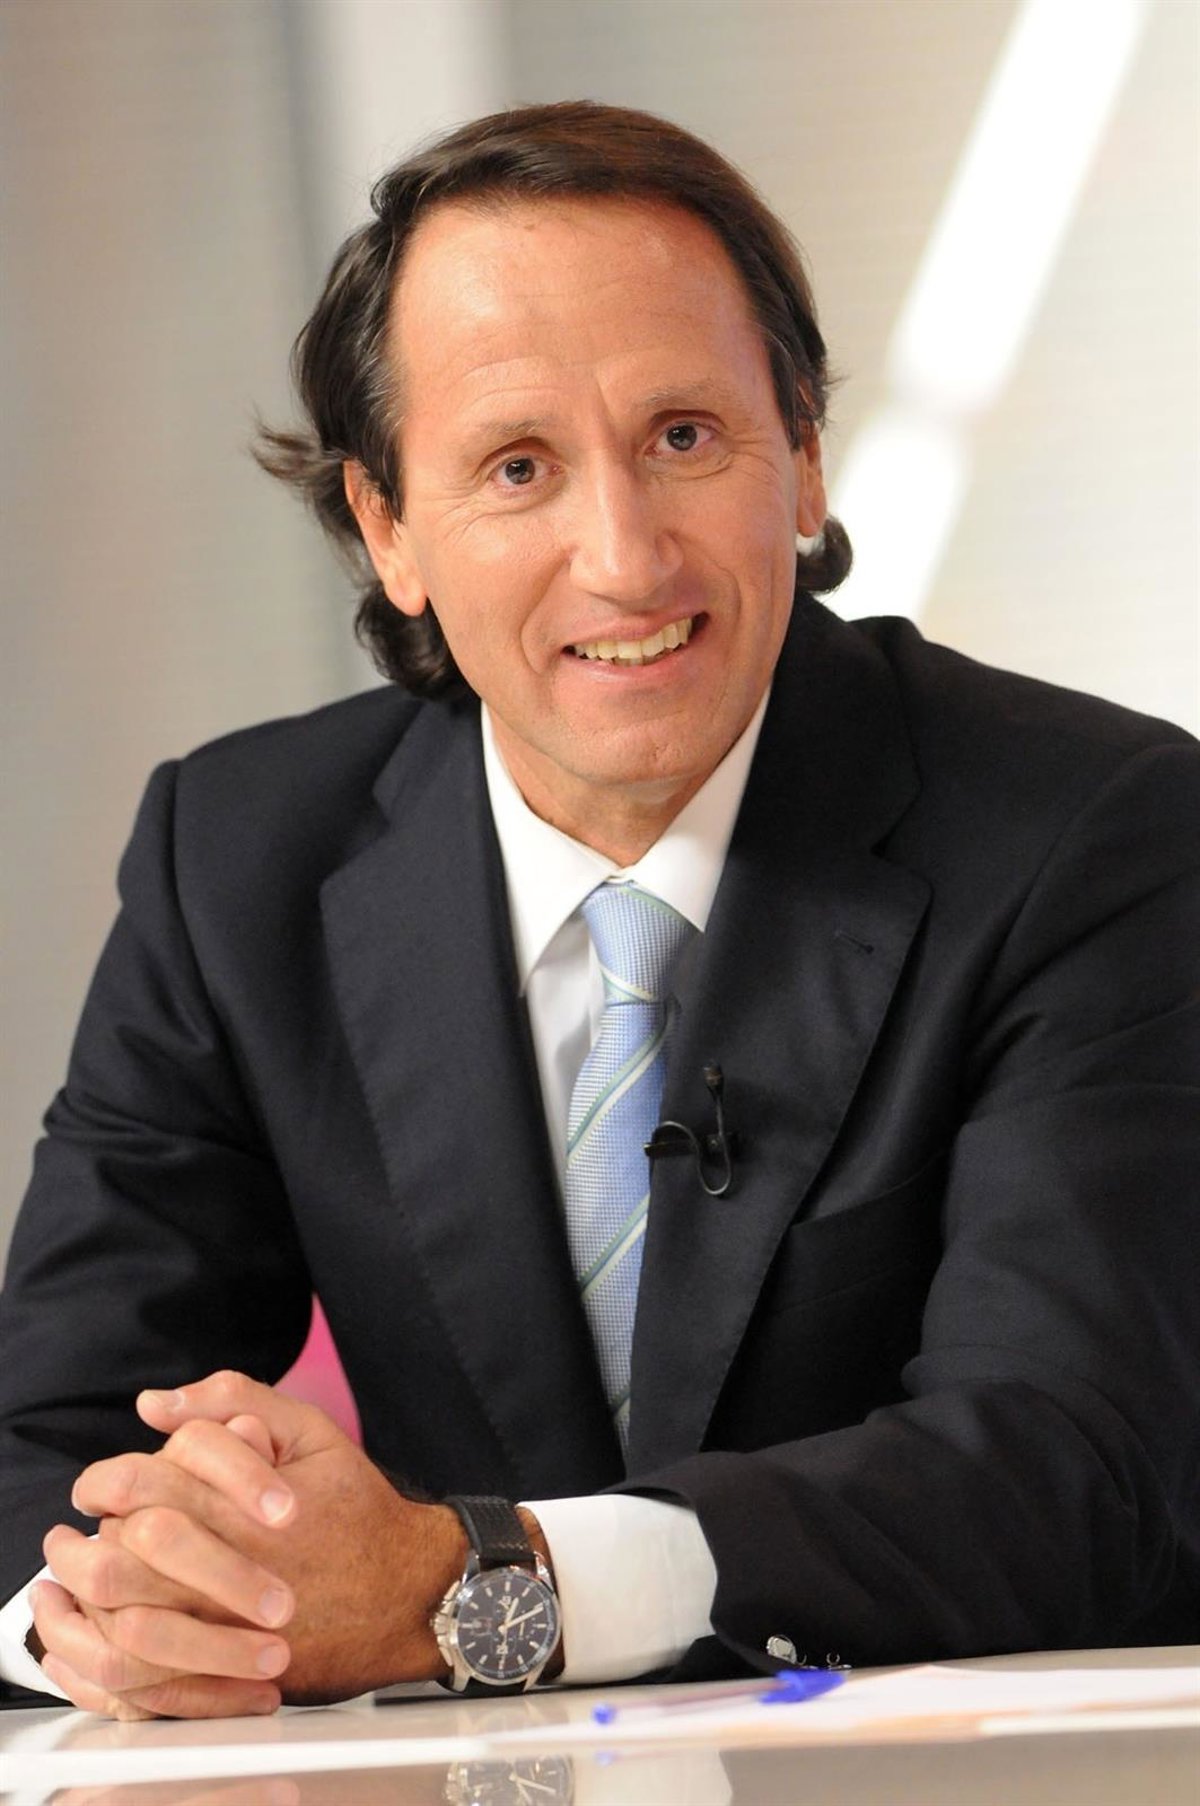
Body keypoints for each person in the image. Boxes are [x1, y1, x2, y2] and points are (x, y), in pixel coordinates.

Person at [1, 101, 1197, 1721]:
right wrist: (118, 1613)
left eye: (686, 436)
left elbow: (1074, 1462)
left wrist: (469, 1586)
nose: (626, 559)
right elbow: (45, 1443)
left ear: (804, 455)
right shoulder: (234, 859)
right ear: (387, 526)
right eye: (519, 467)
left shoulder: (1099, 830)